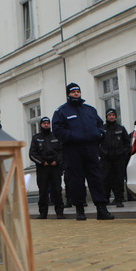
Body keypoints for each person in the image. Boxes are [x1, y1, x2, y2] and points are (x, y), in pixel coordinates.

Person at [51, 83, 114, 221]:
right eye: (73, 92)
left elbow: (99, 124)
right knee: (76, 180)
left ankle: (101, 209)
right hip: (73, 150)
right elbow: (57, 129)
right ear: (68, 94)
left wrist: (100, 134)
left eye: (78, 91)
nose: (76, 94)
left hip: (91, 148)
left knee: (96, 178)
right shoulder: (61, 111)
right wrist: (72, 137)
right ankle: (80, 209)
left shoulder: (89, 110)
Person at [29, 116, 65, 219]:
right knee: (43, 190)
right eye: (44, 123)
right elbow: (32, 154)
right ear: (41, 125)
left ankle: (59, 212)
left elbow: (61, 151)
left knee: (57, 190)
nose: (46, 125)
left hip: (54, 167)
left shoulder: (55, 136)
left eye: (48, 123)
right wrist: (41, 162)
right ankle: (43, 213)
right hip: (42, 168)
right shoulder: (36, 138)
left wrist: (57, 161)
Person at [99, 108, 130, 208]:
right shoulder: (102, 129)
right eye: (109, 115)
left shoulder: (121, 128)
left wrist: (122, 153)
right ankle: (105, 199)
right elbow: (96, 143)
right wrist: (102, 153)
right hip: (106, 159)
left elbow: (127, 143)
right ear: (106, 117)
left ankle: (119, 199)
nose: (111, 117)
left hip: (119, 159)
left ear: (115, 116)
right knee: (105, 179)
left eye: (113, 115)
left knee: (119, 179)